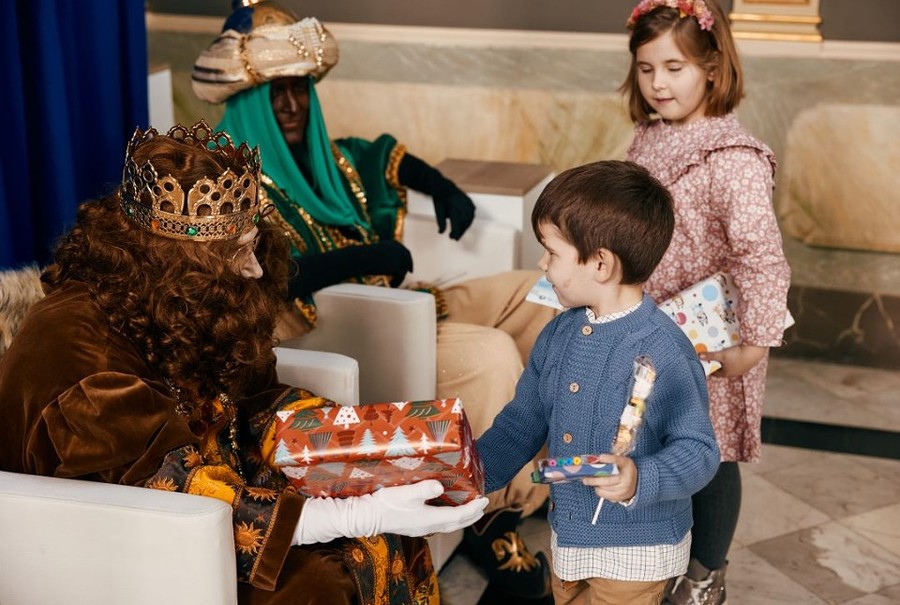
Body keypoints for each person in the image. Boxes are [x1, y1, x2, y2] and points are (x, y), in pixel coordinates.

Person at [0, 121, 488, 605]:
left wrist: (348, 446)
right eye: (237, 251)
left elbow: (253, 394)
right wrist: (350, 515)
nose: (255, 269)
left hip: (209, 490)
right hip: (111, 543)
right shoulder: (82, 356)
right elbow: (164, 497)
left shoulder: (174, 298)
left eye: (253, 245)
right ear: (177, 260)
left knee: (376, 534)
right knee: (323, 574)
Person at [192, 2, 557, 599]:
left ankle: (543, 466)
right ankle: (492, 518)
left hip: (402, 303)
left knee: (539, 294)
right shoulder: (230, 184)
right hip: (343, 331)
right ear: (249, 100)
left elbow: (379, 153)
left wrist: (442, 186)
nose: (292, 105)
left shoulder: (326, 157)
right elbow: (260, 280)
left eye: (301, 89)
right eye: (277, 93)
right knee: (493, 354)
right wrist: (362, 257)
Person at [476, 160, 721, 605]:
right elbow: (520, 423)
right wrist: (473, 476)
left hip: (638, 551)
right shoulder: (557, 335)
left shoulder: (666, 350)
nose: (541, 263)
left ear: (601, 264)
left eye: (551, 252)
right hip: (569, 543)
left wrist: (639, 478)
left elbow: (699, 451)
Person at [620, 1, 792, 603]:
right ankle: (656, 557)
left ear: (712, 69)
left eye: (675, 68)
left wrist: (754, 346)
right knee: (655, 441)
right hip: (652, 325)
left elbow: (761, 258)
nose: (658, 83)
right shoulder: (648, 138)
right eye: (646, 69)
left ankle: (704, 577)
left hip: (713, 339)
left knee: (710, 454)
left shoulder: (733, 158)